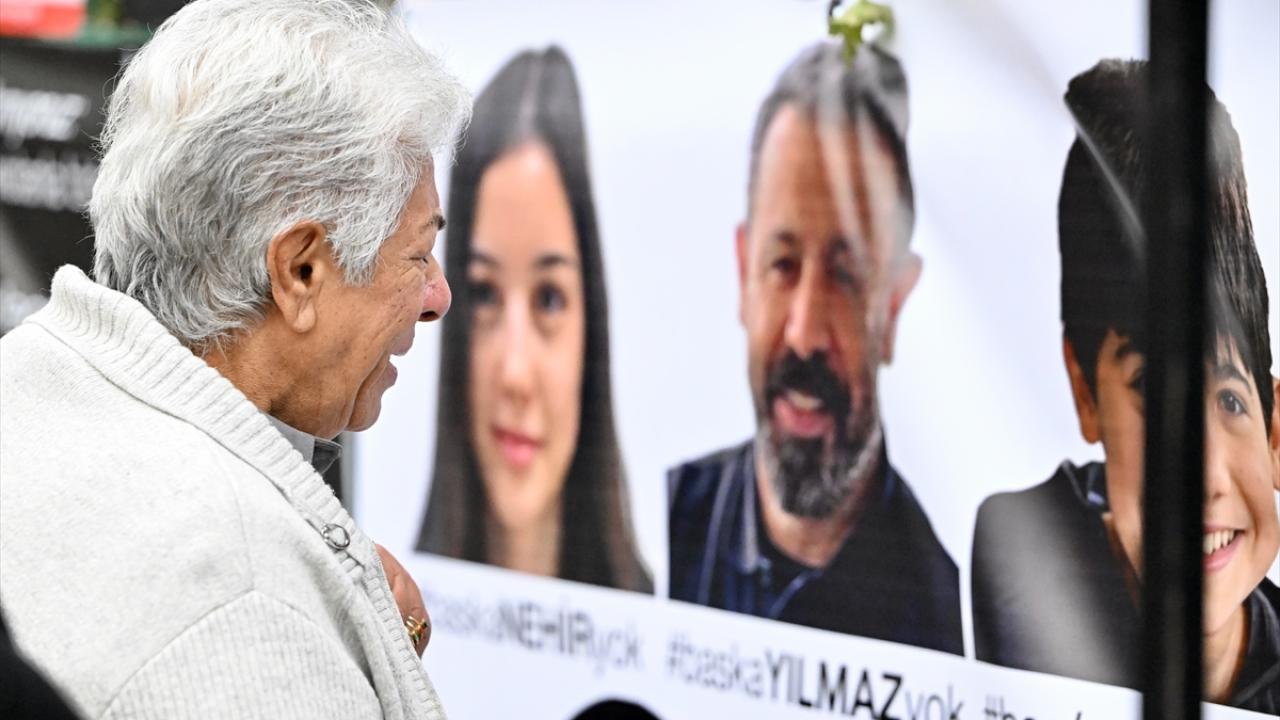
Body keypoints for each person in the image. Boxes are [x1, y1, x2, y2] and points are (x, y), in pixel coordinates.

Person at [0, 0, 470, 717]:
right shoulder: (248, 600)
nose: (437, 297)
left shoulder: (27, 379)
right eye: (418, 254)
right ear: (300, 271)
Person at [971, 59, 1279, 712]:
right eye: (1151, 390)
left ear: (1275, 432)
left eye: (1230, 400)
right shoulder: (1024, 547)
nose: (1204, 477)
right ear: (1086, 394)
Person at [666, 41, 962, 654]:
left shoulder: (952, 619)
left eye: (846, 276)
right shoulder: (663, 532)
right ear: (743, 273)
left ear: (895, 305)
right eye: (782, 264)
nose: (804, 334)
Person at [416, 47, 652, 594]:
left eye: (548, 300)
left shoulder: (652, 625)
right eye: (483, 295)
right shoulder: (394, 609)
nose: (515, 375)